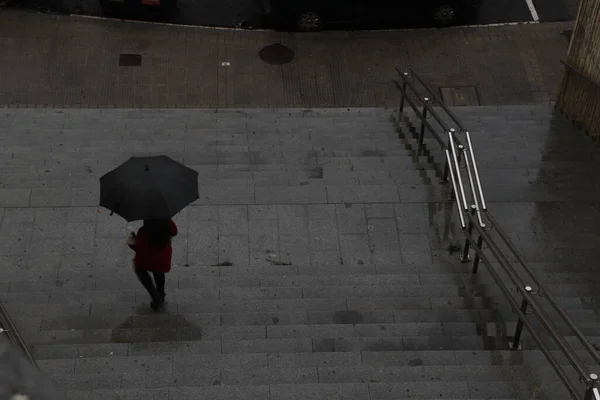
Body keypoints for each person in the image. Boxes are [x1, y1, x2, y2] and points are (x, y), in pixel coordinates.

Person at [127, 219, 178, 310]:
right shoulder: (168, 222)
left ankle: (155, 296)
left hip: (148, 259)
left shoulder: (144, 232)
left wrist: (131, 241)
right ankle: (161, 293)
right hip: (163, 257)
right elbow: (175, 232)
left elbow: (140, 249)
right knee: (159, 272)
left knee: (139, 269)